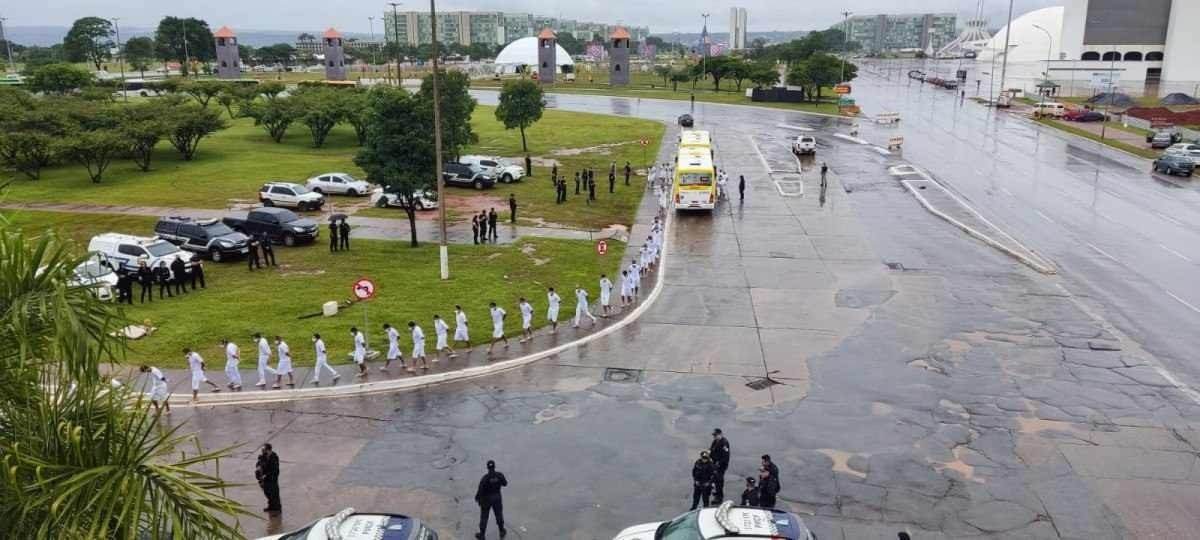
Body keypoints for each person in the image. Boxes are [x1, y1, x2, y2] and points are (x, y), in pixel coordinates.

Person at [474, 460, 508, 539]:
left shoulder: (485, 478)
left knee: (484, 517)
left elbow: (480, 490)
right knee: (499, 514)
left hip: (486, 499)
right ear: (494, 467)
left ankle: (482, 534)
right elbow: (505, 483)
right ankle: (502, 531)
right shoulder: (499, 475)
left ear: (487, 468)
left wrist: (478, 498)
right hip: (497, 498)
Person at [255, 444, 281, 514]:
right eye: (262, 450)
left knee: (273, 493)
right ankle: (271, 506)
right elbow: (258, 463)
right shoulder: (262, 456)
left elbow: (274, 470)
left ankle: (277, 508)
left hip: (272, 478)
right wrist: (258, 467)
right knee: (267, 493)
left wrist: (266, 475)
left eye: (265, 450)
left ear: (269, 450)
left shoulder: (274, 457)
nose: (263, 452)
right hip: (264, 478)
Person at [710, 429, 731, 501]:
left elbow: (725, 456)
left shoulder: (724, 443)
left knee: (719, 481)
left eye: (716, 435)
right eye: (714, 435)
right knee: (715, 479)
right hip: (715, 463)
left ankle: (719, 496)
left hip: (721, 466)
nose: (714, 437)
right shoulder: (715, 441)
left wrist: (719, 463)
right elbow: (711, 449)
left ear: (720, 434)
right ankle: (716, 492)